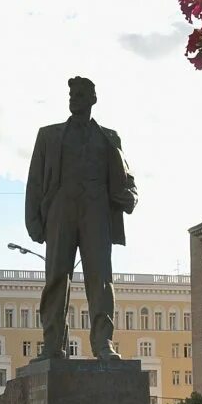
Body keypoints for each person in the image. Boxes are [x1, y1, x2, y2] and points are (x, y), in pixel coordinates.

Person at [24, 76, 137, 361]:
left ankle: (103, 343)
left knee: (100, 279)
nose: (74, 98)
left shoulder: (109, 137)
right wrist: (33, 221)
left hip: (97, 211)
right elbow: (35, 181)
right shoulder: (49, 135)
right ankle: (52, 345)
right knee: (56, 278)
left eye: (80, 94)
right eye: (71, 94)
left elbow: (127, 177)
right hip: (60, 209)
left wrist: (131, 195)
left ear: (92, 99)